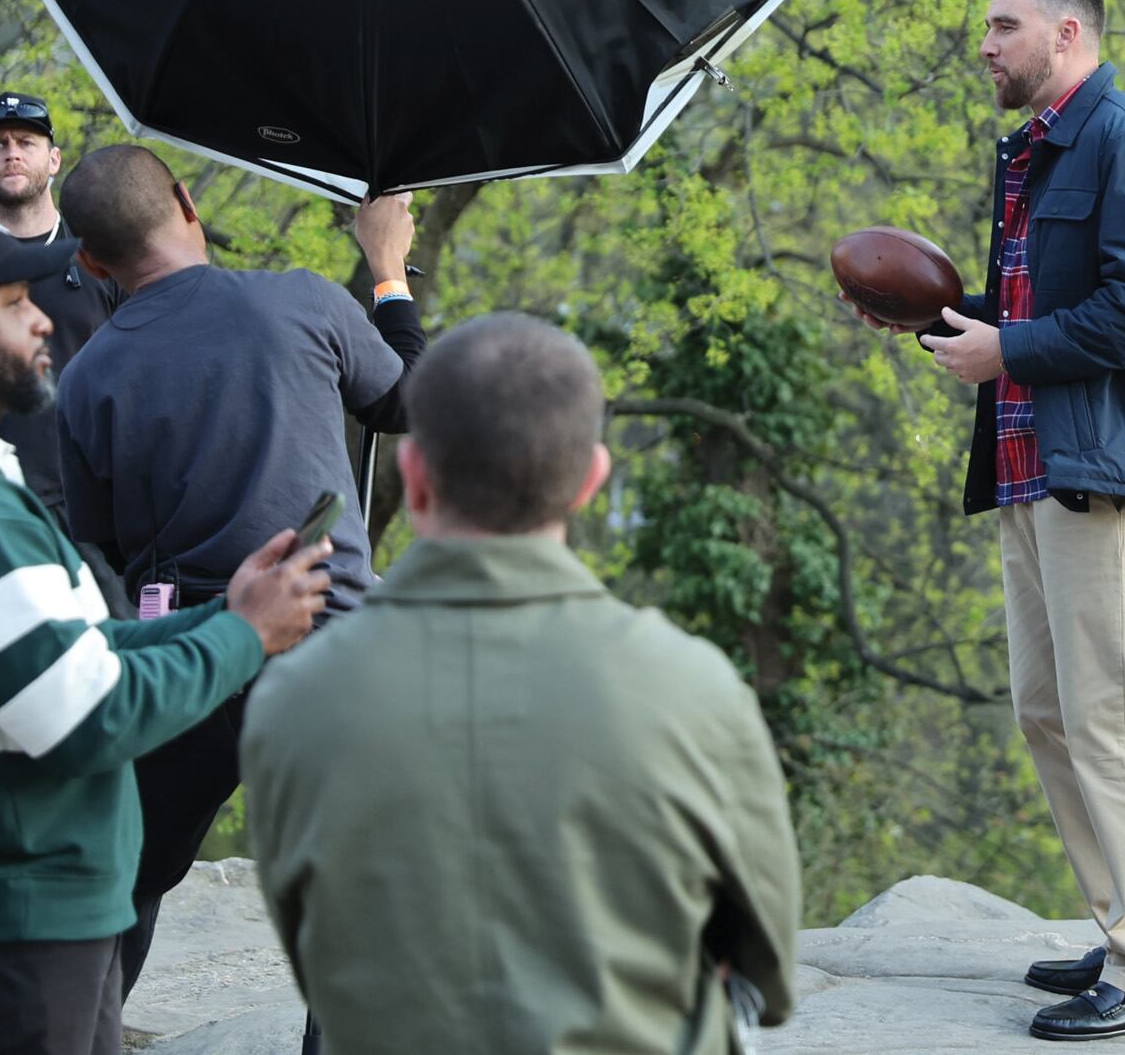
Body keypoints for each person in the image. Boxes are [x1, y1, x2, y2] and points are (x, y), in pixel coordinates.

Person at [241, 313, 800, 1054]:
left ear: (414, 478)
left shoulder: (295, 698)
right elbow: (767, 971)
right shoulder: (693, 686)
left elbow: (312, 952)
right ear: (592, 479)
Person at [848, 0, 1125, 1041]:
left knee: (1109, 712)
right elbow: (1035, 307)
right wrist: (939, 318)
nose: (984, 44)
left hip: (1104, 473)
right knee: (1048, 710)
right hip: (1032, 467)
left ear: (1066, 33)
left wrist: (1004, 346)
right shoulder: (1035, 150)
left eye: (1002, 26)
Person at [53, 144, 423, 994]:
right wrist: (388, 265)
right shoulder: (299, 299)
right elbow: (404, 396)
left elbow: (98, 547)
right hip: (326, 637)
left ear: (89, 261)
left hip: (187, 651)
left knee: (125, 880)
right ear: (188, 201)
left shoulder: (86, 380)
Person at [0, 218, 327, 1055]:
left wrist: (226, 612)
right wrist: (242, 636)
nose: (43, 318)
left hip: (57, 917)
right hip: (19, 933)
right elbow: (91, 710)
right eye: (14, 301)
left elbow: (80, 650)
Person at [0, 92, 129, 618]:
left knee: (118, 640)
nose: (12, 153)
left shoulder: (101, 257)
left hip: (94, 507)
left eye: (27, 142)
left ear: (53, 159)